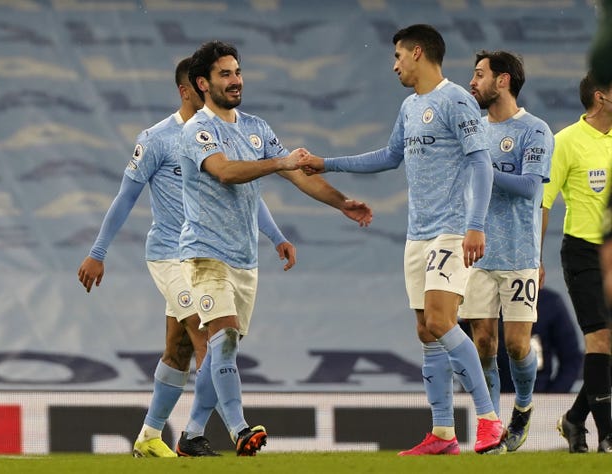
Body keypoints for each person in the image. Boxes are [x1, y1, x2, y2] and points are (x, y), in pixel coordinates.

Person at [298, 24, 503, 455]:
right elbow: (389, 156)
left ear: (418, 52)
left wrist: (476, 224)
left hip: (451, 230)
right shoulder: (410, 106)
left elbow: (481, 163)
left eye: (397, 56)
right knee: (426, 333)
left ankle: (488, 418)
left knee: (442, 322)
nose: (393, 65)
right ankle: (443, 433)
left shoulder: (457, 100)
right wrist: (326, 163)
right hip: (418, 235)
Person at [77, 57, 297, 458]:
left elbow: (245, 194)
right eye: (205, 86)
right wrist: (98, 252)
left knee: (179, 347)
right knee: (206, 332)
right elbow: (126, 197)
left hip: (209, 252)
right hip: (170, 255)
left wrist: (276, 235)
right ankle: (211, 432)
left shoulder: (221, 134)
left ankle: (149, 435)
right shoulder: (158, 138)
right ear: (188, 90)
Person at [177, 40, 373, 456]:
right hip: (204, 253)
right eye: (224, 74)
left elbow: (299, 175)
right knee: (225, 337)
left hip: (244, 258)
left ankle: (191, 433)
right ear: (202, 83)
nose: (235, 80)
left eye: (237, 72)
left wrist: (341, 203)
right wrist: (279, 163)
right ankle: (240, 429)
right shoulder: (196, 130)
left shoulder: (256, 128)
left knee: (219, 349)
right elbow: (226, 172)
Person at [459, 50, 553, 452]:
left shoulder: (534, 130)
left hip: (518, 255)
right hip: (477, 255)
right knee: (483, 344)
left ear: (503, 81)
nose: (472, 82)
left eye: (479, 75)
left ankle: (525, 406)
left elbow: (532, 187)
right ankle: (491, 426)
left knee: (516, 345)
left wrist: (483, 170)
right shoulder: (472, 130)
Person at [542, 71, 612, 453]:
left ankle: (573, 419)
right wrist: (532, 259)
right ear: (600, 98)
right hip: (583, 251)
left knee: (609, 348)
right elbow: (543, 203)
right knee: (599, 340)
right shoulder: (565, 142)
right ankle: (608, 437)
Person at [495, 287, 583, 394]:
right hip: (490, 399)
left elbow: (571, 359)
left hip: (538, 395)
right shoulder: (482, 303)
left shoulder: (550, 303)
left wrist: (551, 396)